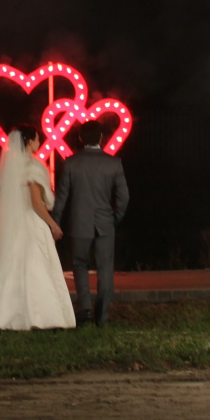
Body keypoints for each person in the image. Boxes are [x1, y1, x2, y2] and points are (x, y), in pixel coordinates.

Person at [0, 127, 76, 330]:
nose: (39, 143)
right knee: (36, 266)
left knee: (14, 266)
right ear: (30, 142)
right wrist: (53, 224)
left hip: (16, 224)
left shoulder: (12, 168)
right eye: (37, 139)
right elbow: (36, 203)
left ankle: (3, 314)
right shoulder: (33, 166)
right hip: (32, 223)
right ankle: (41, 316)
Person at [52, 122, 129, 326]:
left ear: (80, 138)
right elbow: (124, 198)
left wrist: (56, 221)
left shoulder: (71, 163)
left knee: (79, 265)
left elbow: (61, 197)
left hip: (78, 222)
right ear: (102, 137)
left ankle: (85, 310)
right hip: (105, 223)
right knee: (105, 269)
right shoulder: (114, 163)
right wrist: (115, 218)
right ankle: (102, 317)